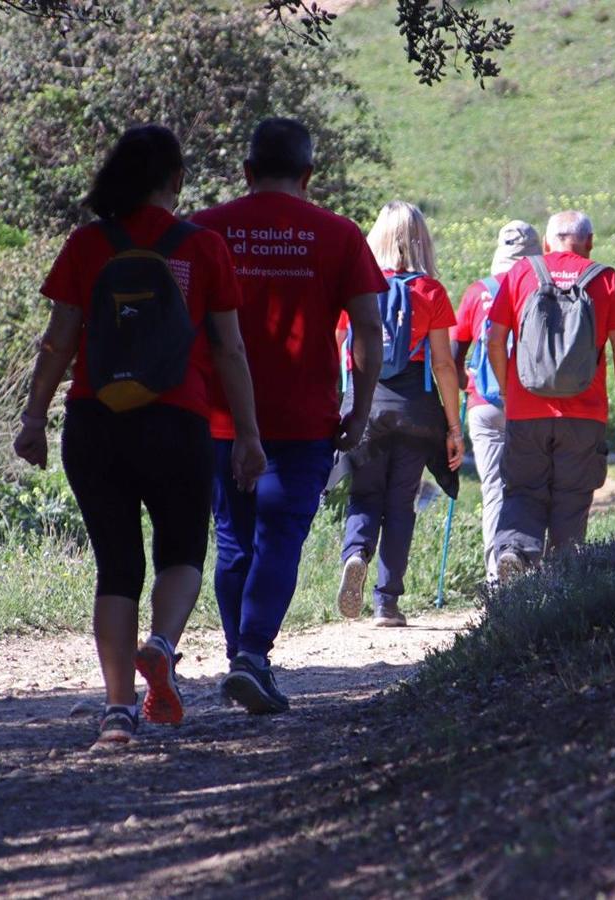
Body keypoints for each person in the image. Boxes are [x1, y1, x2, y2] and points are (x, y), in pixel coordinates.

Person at [14, 125, 265, 747]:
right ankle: (162, 645)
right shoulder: (203, 248)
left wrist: (32, 416)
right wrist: (249, 435)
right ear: (175, 181)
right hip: (177, 421)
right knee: (182, 554)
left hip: (96, 421)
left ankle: (119, 712)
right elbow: (230, 350)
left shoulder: (87, 244)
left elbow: (59, 339)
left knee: (116, 567)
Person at [191, 118, 387, 714]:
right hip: (305, 419)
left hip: (218, 415)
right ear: (308, 175)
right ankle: (251, 656)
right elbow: (369, 330)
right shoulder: (339, 234)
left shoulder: (204, 229)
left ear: (246, 172)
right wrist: (363, 405)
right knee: (279, 539)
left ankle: (241, 659)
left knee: (233, 541)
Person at [486, 211, 615, 578]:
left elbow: (495, 339)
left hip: (527, 411)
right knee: (572, 501)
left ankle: (515, 553)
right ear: (590, 242)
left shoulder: (522, 272)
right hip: (584, 416)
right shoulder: (606, 279)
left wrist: (509, 392)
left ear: (549, 241)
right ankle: (562, 582)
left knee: (522, 491)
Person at [333, 201, 464, 626]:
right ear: (420, 240)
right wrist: (453, 426)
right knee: (401, 502)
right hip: (416, 412)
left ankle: (355, 553)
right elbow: (444, 364)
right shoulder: (431, 292)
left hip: (365, 408)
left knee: (364, 494)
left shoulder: (355, 286)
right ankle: (386, 602)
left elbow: (340, 347)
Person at [451, 220, 541, 582]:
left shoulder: (478, 292)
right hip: (531, 402)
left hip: (484, 402)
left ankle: (494, 574)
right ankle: (524, 562)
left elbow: (456, 351)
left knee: (493, 490)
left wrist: (465, 386)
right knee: (529, 487)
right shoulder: (541, 289)